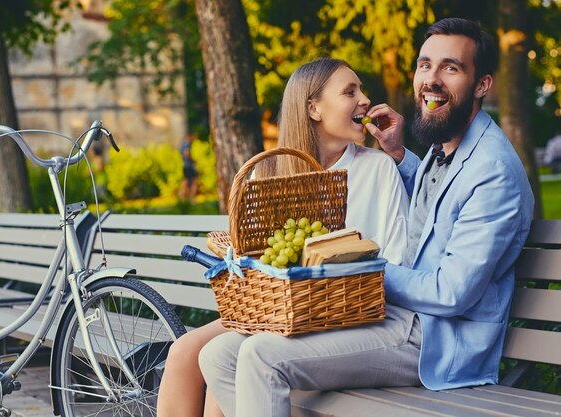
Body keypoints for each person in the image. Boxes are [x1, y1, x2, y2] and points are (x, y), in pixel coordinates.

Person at [198, 18, 534, 417]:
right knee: (218, 355)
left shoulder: (493, 170)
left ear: (482, 85)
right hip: (397, 321)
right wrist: (398, 154)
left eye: (451, 67)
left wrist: (358, 269)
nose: (432, 78)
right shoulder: (450, 148)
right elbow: (440, 198)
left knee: (261, 356)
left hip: (435, 342)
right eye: (425, 65)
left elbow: (451, 294)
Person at [156, 58, 410, 417]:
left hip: (341, 310)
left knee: (219, 366)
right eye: (350, 92)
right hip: (277, 308)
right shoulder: (270, 172)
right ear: (313, 108)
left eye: (362, 90)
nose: (365, 100)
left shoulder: (377, 168)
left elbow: (394, 260)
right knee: (185, 352)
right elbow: (259, 261)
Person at [179, 133, 199, 201]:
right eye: (193, 137)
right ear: (190, 136)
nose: (193, 140)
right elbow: (186, 154)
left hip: (185, 165)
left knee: (186, 182)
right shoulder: (187, 144)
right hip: (189, 166)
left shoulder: (182, 144)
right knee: (195, 181)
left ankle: (182, 197)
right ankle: (192, 198)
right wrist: (193, 160)